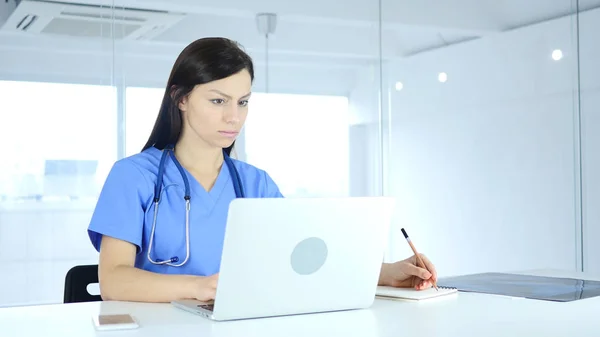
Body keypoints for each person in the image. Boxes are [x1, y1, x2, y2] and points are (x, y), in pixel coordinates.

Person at [87, 37, 438, 303]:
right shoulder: (133, 176)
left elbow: (304, 259)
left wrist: (387, 273)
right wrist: (201, 286)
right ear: (181, 98)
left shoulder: (255, 183)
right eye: (218, 100)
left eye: (242, 102)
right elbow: (114, 281)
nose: (234, 117)